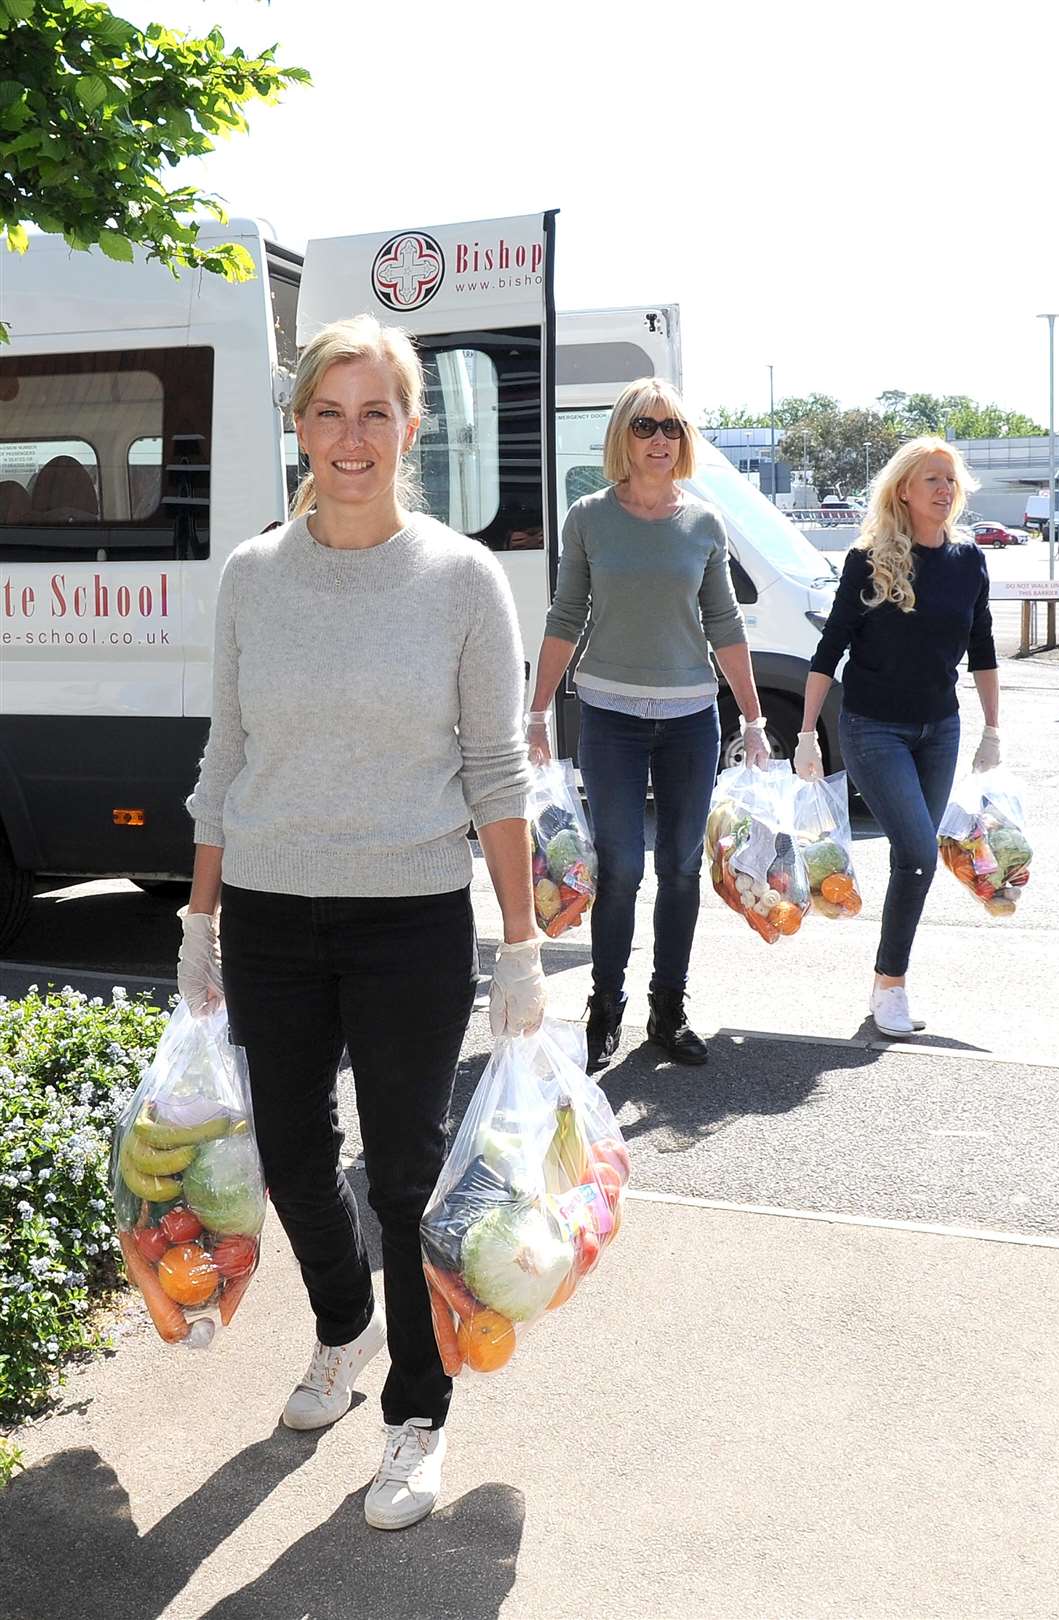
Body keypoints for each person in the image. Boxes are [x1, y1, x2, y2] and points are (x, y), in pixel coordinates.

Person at [177, 313, 545, 1531]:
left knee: (403, 1178)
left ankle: (417, 1413)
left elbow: (496, 769)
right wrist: (200, 917)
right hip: (274, 916)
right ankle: (341, 1329)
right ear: (298, 428)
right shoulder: (250, 576)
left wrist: (524, 942)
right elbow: (227, 755)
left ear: (412, 427)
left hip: (410, 921)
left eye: (375, 412)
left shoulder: (458, 578)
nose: (351, 437)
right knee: (289, 1161)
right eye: (329, 413)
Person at [527, 377, 768, 1072]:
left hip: (692, 717)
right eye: (645, 427)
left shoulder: (703, 524)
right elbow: (564, 616)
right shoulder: (589, 518)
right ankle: (606, 1007)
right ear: (622, 438)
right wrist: (536, 710)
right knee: (623, 868)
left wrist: (752, 719)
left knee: (682, 869)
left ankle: (669, 1009)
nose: (660, 438)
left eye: (671, 428)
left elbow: (723, 621)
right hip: (610, 717)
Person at [794, 436, 1000, 1038]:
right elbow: (829, 648)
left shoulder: (969, 561)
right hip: (871, 726)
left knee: (913, 858)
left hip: (941, 727)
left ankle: (888, 979)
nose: (944, 490)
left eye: (952, 481)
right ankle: (891, 984)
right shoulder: (870, 559)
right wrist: (806, 732)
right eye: (932, 479)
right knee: (916, 852)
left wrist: (993, 728)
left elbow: (983, 646)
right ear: (904, 491)